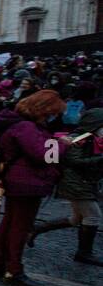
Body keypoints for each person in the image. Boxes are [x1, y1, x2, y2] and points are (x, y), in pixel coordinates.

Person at [0, 89, 66, 286]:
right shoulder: (26, 127)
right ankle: (14, 269)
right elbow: (44, 155)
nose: (52, 116)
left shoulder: (17, 123)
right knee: (20, 227)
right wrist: (63, 144)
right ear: (42, 109)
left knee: (11, 223)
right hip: (27, 182)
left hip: (18, 180)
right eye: (51, 112)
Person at [26, 107, 103, 265]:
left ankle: (36, 229)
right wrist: (99, 160)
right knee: (93, 216)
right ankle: (84, 253)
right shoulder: (79, 139)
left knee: (76, 219)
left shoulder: (90, 138)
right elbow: (73, 161)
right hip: (75, 183)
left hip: (82, 183)